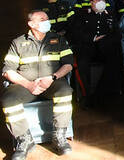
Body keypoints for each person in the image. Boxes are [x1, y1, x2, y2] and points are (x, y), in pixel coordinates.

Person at [1, 11, 74, 159]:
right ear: (31, 24)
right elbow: (7, 71)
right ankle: (24, 140)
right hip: (25, 85)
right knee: (8, 100)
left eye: (47, 19)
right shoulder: (18, 43)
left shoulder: (58, 39)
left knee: (65, 91)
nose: (47, 21)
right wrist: (28, 85)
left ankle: (59, 136)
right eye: (42, 19)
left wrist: (52, 77)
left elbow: (68, 64)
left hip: (52, 82)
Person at [70, 0, 122, 105]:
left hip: (105, 47)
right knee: (82, 62)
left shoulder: (110, 15)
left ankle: (108, 92)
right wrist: (93, 38)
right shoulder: (82, 14)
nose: (101, 3)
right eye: (98, 0)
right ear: (91, 2)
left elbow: (117, 34)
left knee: (116, 55)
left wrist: (106, 39)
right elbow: (75, 33)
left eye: (103, 0)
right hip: (88, 47)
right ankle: (86, 95)